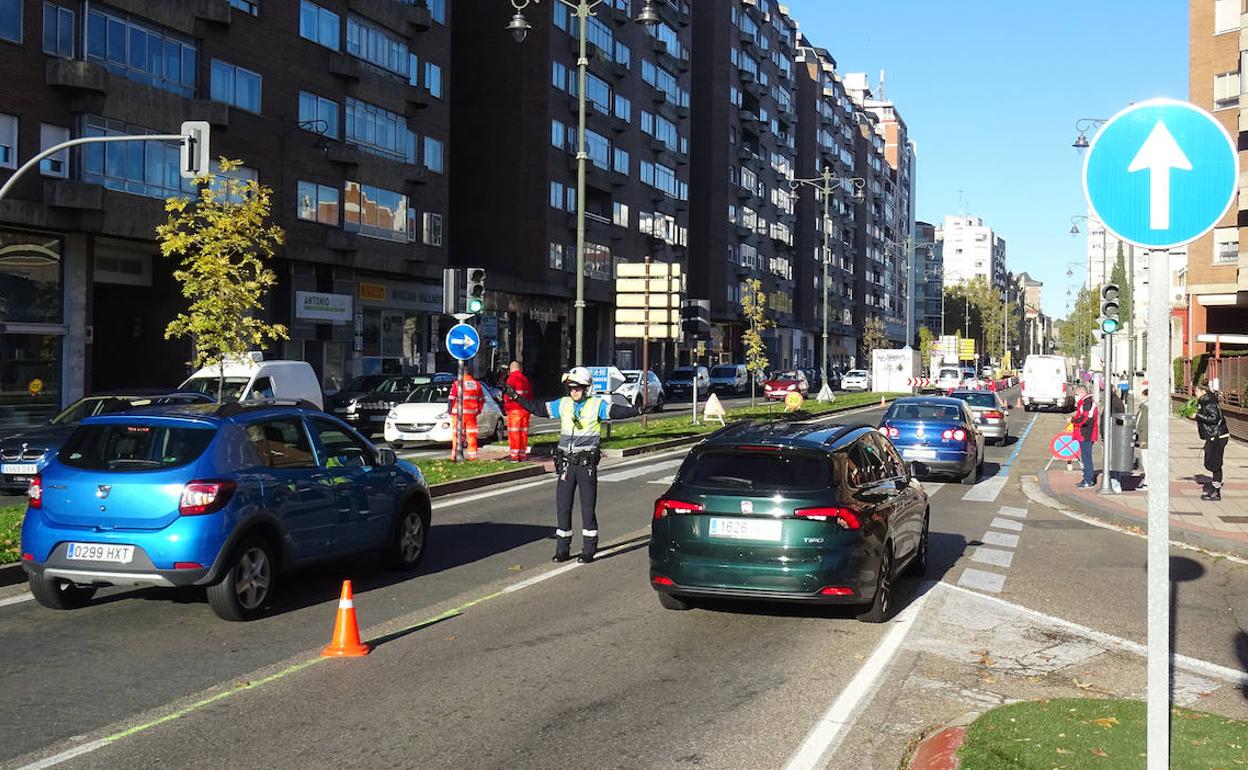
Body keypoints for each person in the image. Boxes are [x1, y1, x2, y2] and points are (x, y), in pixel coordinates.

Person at [502, 366, 638, 563]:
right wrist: (515, 396)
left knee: (587, 507)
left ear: (587, 388)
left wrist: (636, 410)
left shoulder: (595, 405)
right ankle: (562, 549)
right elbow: (538, 408)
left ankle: (589, 549)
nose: (574, 391)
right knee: (563, 507)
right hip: (566, 464)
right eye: (571, 388)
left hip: (586, 465)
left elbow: (616, 411)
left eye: (578, 388)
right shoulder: (564, 404)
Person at [1195, 383, 1229, 501]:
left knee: (1215, 463)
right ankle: (1215, 489)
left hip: (1218, 436)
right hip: (1214, 436)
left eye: (1197, 392)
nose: (1195, 394)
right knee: (1211, 462)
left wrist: (1198, 416)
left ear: (1203, 392)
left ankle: (1216, 492)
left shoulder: (1209, 403)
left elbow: (1215, 418)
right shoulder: (1205, 402)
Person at [448, 371, 484, 460]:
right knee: (471, 435)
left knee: (457, 435)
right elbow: (481, 399)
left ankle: (455, 455)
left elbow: (451, 398)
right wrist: (478, 410)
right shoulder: (477, 384)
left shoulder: (458, 383)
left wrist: (450, 411)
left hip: (458, 414)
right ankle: (473, 456)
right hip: (471, 415)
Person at [503, 361, 534, 462]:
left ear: (510, 369)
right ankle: (522, 454)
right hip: (525, 410)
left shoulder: (511, 379)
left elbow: (507, 396)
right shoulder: (524, 379)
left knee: (514, 433)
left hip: (514, 410)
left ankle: (514, 456)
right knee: (523, 433)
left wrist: (506, 406)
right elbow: (530, 396)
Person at [1072, 384, 1100, 488]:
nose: (1075, 396)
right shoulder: (1084, 402)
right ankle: (1087, 478)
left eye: (1076, 394)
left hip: (1086, 434)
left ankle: (1088, 480)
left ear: (1082, 392)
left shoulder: (1087, 403)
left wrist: (1072, 420)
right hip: (1083, 434)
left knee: (1086, 457)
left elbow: (1085, 420)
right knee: (1085, 457)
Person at [1134, 386, 1149, 491]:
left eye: (1143, 394)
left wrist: (1143, 439)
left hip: (1146, 439)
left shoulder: (1146, 408)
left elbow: (1144, 424)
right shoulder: (1144, 407)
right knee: (1147, 460)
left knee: (1147, 461)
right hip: (1146, 438)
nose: (1142, 397)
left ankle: (1148, 483)